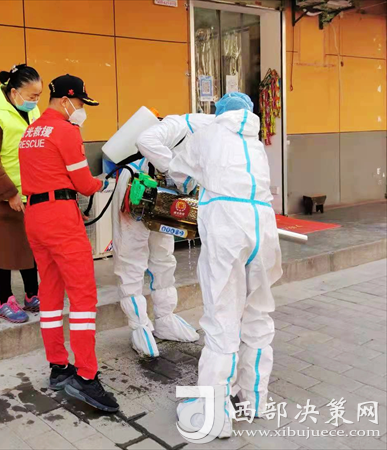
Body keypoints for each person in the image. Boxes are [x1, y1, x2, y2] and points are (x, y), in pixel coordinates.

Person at [167, 93, 283, 438]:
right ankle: (255, 399)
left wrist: (193, 180)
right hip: (263, 224)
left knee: (222, 316)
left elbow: (178, 172)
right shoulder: (255, 140)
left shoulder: (207, 134)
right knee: (258, 313)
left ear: (218, 113)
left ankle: (215, 414)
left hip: (227, 226)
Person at [19, 74, 119, 412]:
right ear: (65, 100)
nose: (81, 109)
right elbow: (83, 183)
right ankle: (87, 377)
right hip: (60, 217)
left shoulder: (31, 131)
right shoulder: (65, 130)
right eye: (79, 103)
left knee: (49, 292)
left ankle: (59, 366)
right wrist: (104, 182)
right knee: (82, 295)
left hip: (35, 216)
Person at [114, 113, 215, 357]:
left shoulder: (220, 140)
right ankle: (139, 325)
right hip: (137, 187)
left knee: (163, 256)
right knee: (131, 257)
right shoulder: (180, 124)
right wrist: (179, 171)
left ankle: (165, 318)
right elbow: (145, 141)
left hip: (168, 195)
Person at [0, 64, 42, 323]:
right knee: (1, 247)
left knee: (29, 244)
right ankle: (5, 299)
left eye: (38, 96)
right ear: (14, 92)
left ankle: (32, 294)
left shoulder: (31, 108)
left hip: (29, 188)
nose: (36, 101)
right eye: (32, 96)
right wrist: (9, 193)